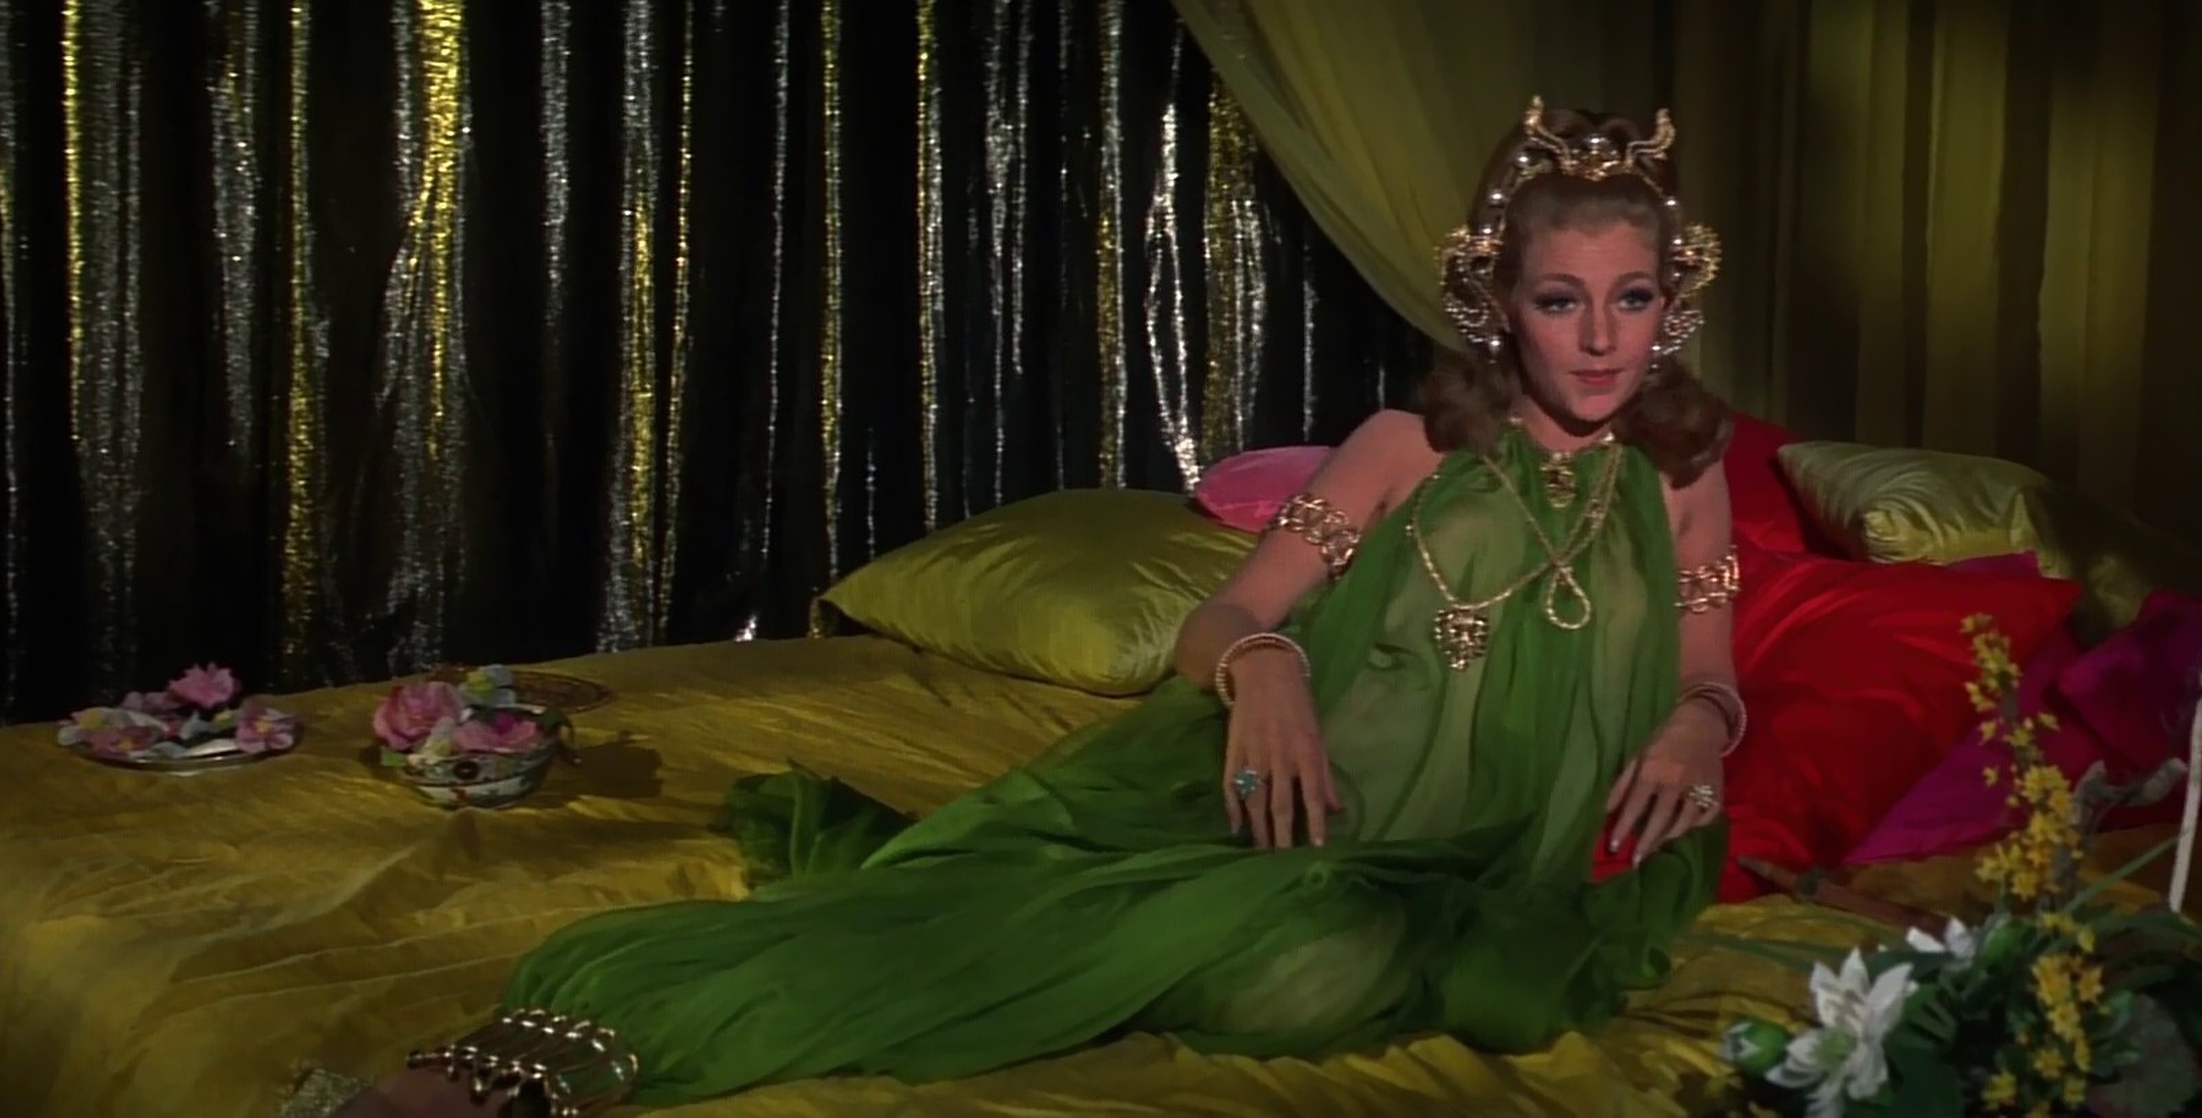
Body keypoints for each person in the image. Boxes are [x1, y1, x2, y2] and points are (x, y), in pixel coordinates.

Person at [335, 98, 1749, 1118]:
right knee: (1168, 934)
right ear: (1501, 302)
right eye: (1562, 300)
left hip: (1506, 869)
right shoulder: (1406, 447)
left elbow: (1711, 668)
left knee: (1331, 975)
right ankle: (555, 1049)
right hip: (1312, 809)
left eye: (1631, 298)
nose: (1601, 338)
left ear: (1670, 305)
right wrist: (1265, 665)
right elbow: (1217, 620)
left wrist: (1701, 723)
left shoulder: (1684, 476)